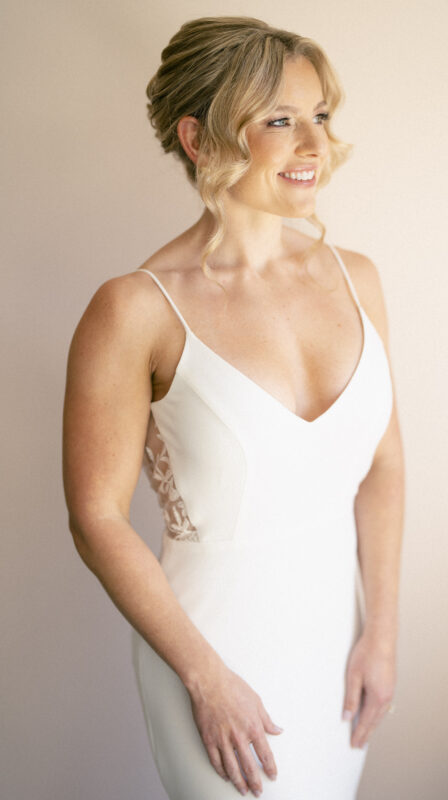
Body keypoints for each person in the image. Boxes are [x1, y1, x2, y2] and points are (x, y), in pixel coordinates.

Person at [62, 15, 405, 800]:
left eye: (318, 116)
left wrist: (380, 632)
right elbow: (95, 518)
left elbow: (383, 461)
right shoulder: (134, 310)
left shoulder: (358, 278)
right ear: (198, 136)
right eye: (279, 121)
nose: (313, 145)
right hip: (212, 658)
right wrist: (206, 680)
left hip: (338, 646)